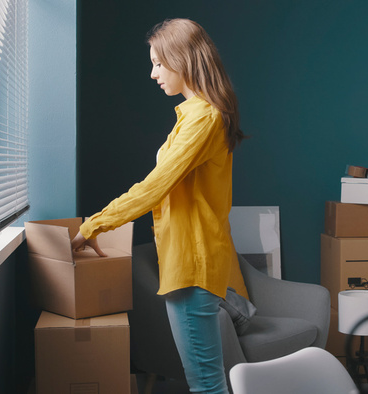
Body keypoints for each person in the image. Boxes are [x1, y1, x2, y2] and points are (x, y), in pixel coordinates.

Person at [71, 18, 244, 394]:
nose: (153, 74)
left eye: (159, 63)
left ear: (184, 59)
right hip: (190, 263)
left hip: (191, 267)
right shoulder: (195, 115)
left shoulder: (203, 118)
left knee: (206, 384)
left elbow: (154, 187)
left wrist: (92, 226)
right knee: (206, 379)